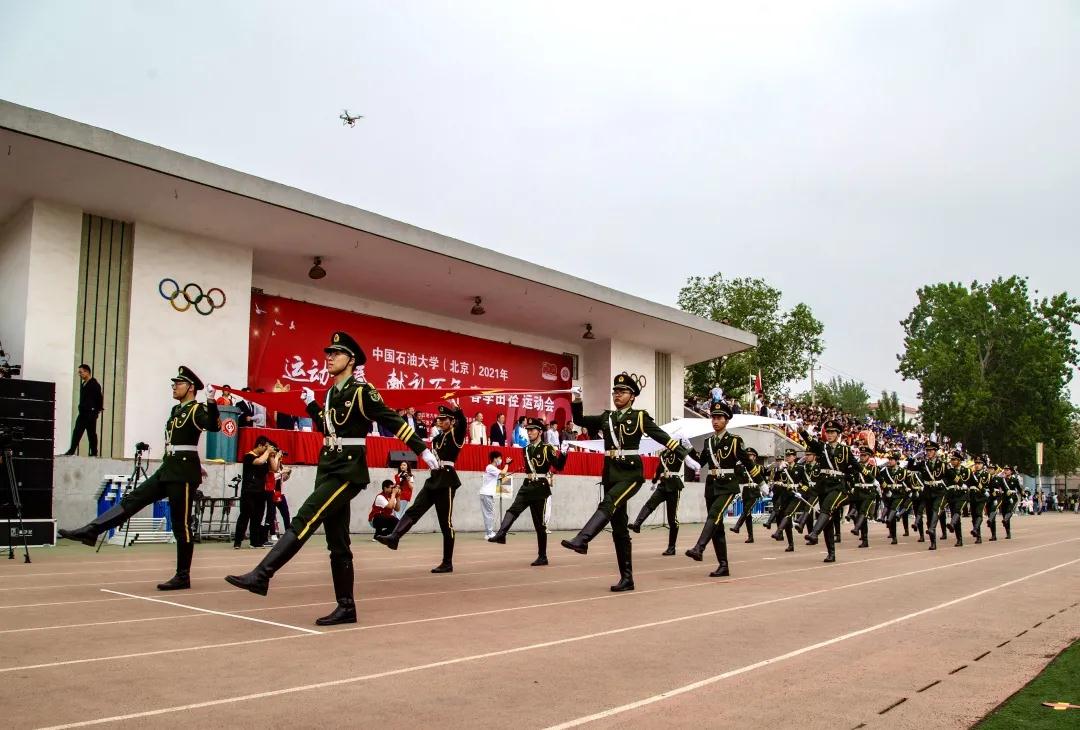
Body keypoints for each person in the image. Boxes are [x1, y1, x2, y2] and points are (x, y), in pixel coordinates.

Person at [226, 332, 433, 626]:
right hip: (328, 467)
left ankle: (262, 574)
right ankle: (346, 607)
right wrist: (312, 405)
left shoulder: (362, 391)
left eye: (336, 353)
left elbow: (391, 419)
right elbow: (328, 428)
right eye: (328, 353)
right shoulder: (331, 394)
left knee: (306, 517)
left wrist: (421, 449)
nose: (329, 357)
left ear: (351, 360)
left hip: (347, 470)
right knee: (338, 542)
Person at [59, 366, 220, 590]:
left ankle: (183, 576)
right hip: (169, 468)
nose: (174, 387)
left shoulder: (196, 409)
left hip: (183, 473)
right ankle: (92, 530)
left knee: (181, 524)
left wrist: (211, 401)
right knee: (132, 499)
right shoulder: (176, 410)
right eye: (173, 383)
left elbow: (213, 426)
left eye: (178, 383)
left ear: (191, 388)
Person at [562, 372, 697, 591]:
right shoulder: (606, 417)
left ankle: (583, 539)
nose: (617, 394)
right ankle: (627, 579)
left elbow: (661, 436)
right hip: (610, 473)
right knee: (619, 528)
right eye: (615, 391)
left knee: (609, 502)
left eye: (622, 391)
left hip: (631, 474)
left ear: (632, 396)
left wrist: (685, 455)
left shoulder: (640, 417)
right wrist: (577, 400)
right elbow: (579, 421)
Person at [376, 401, 468, 573]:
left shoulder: (456, 435)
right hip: (434, 479)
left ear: (452, 421)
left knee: (445, 523)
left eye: (444, 419)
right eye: (439, 419)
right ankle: (394, 537)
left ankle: (447, 562)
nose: (440, 422)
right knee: (414, 510)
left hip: (447, 480)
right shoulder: (437, 438)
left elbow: (462, 424)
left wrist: (457, 409)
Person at [685, 402, 762, 575]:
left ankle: (699, 548)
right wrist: (687, 448)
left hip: (727, 485)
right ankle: (723, 565)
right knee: (717, 526)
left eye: (719, 418)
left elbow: (748, 463)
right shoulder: (708, 442)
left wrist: (761, 483)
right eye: (713, 417)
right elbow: (699, 463)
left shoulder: (734, 441)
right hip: (711, 486)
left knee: (714, 515)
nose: (715, 421)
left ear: (726, 420)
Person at [489, 418, 568, 566]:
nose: (529, 432)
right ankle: (501, 533)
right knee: (513, 509)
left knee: (539, 525)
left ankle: (542, 556)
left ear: (540, 432)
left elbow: (558, 466)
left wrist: (563, 453)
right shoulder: (525, 449)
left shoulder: (547, 448)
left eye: (532, 430)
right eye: (528, 430)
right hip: (527, 485)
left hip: (540, 487)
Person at [800, 420, 860, 563]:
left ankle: (814, 533)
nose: (830, 434)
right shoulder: (822, 447)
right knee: (828, 521)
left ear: (838, 434)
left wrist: (872, 479)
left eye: (832, 432)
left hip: (838, 486)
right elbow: (810, 441)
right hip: (824, 486)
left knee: (826, 509)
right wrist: (802, 431)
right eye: (828, 432)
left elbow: (856, 465)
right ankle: (831, 553)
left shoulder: (845, 450)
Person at [630, 437, 697, 555]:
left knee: (672, 519)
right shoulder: (663, 454)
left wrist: (690, 447)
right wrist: (654, 482)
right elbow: (659, 468)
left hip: (674, 486)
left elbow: (690, 458)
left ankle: (672, 548)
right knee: (650, 504)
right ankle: (637, 524)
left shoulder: (679, 451)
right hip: (663, 485)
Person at [234, 436, 273, 549]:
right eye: (265, 447)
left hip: (260, 492)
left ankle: (255, 541)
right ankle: (238, 541)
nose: (266, 449)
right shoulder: (248, 456)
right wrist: (268, 452)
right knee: (245, 516)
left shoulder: (264, 458)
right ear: (259, 445)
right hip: (249, 491)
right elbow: (258, 462)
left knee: (257, 517)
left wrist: (272, 456)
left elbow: (274, 468)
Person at [908, 441, 947, 550]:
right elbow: (910, 467)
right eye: (927, 450)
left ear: (935, 451)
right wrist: (913, 457)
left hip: (939, 492)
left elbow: (949, 476)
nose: (928, 452)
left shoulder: (942, 464)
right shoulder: (923, 464)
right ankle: (933, 542)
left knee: (935, 510)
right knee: (929, 517)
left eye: (931, 450)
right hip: (928, 492)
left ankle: (932, 529)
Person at [63, 363, 103, 456]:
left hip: (90, 413)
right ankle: (73, 450)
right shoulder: (84, 384)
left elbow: (99, 398)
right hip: (83, 412)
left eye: (81, 372)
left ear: (87, 372)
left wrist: (96, 411)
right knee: (79, 431)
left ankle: (93, 452)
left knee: (89, 433)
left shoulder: (94, 384)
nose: (79, 374)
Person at [729, 447, 762, 543]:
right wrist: (737, 464)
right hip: (746, 491)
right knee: (748, 515)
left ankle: (737, 526)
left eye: (751, 455)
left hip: (755, 491)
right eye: (747, 455)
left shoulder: (759, 467)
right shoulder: (742, 467)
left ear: (754, 457)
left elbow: (766, 477)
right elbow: (737, 476)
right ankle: (750, 537)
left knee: (746, 510)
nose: (749, 457)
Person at [850, 445, 880, 548]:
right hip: (858, 492)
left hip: (869, 493)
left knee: (863, 512)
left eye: (864, 455)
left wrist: (884, 490)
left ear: (869, 456)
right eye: (861, 455)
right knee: (861, 516)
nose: (862, 457)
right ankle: (864, 539)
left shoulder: (874, 468)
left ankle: (857, 529)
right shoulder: (856, 467)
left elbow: (880, 480)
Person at [943, 450, 971, 547]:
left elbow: (974, 481)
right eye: (951, 460)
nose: (952, 461)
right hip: (952, 495)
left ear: (959, 460)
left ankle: (951, 524)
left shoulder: (966, 471)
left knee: (957, 511)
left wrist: (983, 491)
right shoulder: (950, 471)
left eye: (954, 459)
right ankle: (959, 539)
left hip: (963, 495)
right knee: (956, 517)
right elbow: (945, 481)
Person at [480, 451, 510, 539]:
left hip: (487, 494)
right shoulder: (490, 467)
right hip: (486, 494)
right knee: (489, 514)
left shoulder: (493, 469)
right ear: (494, 459)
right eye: (499, 458)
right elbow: (503, 473)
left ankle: (489, 532)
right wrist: (507, 464)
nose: (500, 460)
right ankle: (489, 533)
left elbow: (502, 475)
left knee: (489, 513)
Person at [968, 454, 990, 544]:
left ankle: (975, 529)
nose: (977, 465)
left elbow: (989, 486)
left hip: (981, 496)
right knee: (974, 517)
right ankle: (978, 535)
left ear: (983, 465)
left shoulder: (987, 475)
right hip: (973, 496)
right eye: (976, 463)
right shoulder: (971, 474)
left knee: (978, 513)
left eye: (979, 463)